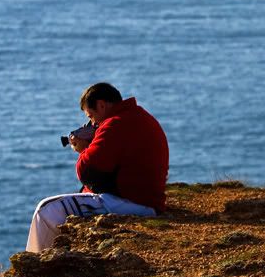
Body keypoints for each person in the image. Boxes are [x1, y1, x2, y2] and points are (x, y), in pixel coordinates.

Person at [26, 82, 169, 252]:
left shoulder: (114, 124)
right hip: (145, 200)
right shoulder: (139, 116)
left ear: (101, 105)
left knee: (46, 209)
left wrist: (83, 149)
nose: (92, 123)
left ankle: (38, 267)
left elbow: (87, 172)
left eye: (91, 116)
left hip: (133, 202)